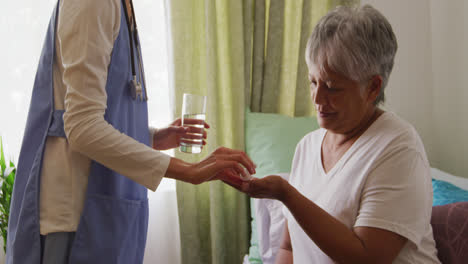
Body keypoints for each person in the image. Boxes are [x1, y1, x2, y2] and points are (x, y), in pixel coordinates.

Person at [6, 0, 255, 263]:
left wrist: (153, 137)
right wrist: (189, 171)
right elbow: (82, 128)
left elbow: (98, 115)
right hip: (75, 220)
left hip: (102, 214)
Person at [238, 4, 441, 264]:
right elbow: (289, 247)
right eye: (313, 81)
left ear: (372, 87)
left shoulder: (399, 149)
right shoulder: (307, 147)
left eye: (332, 87)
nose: (317, 98)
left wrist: (286, 194)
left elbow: (366, 258)